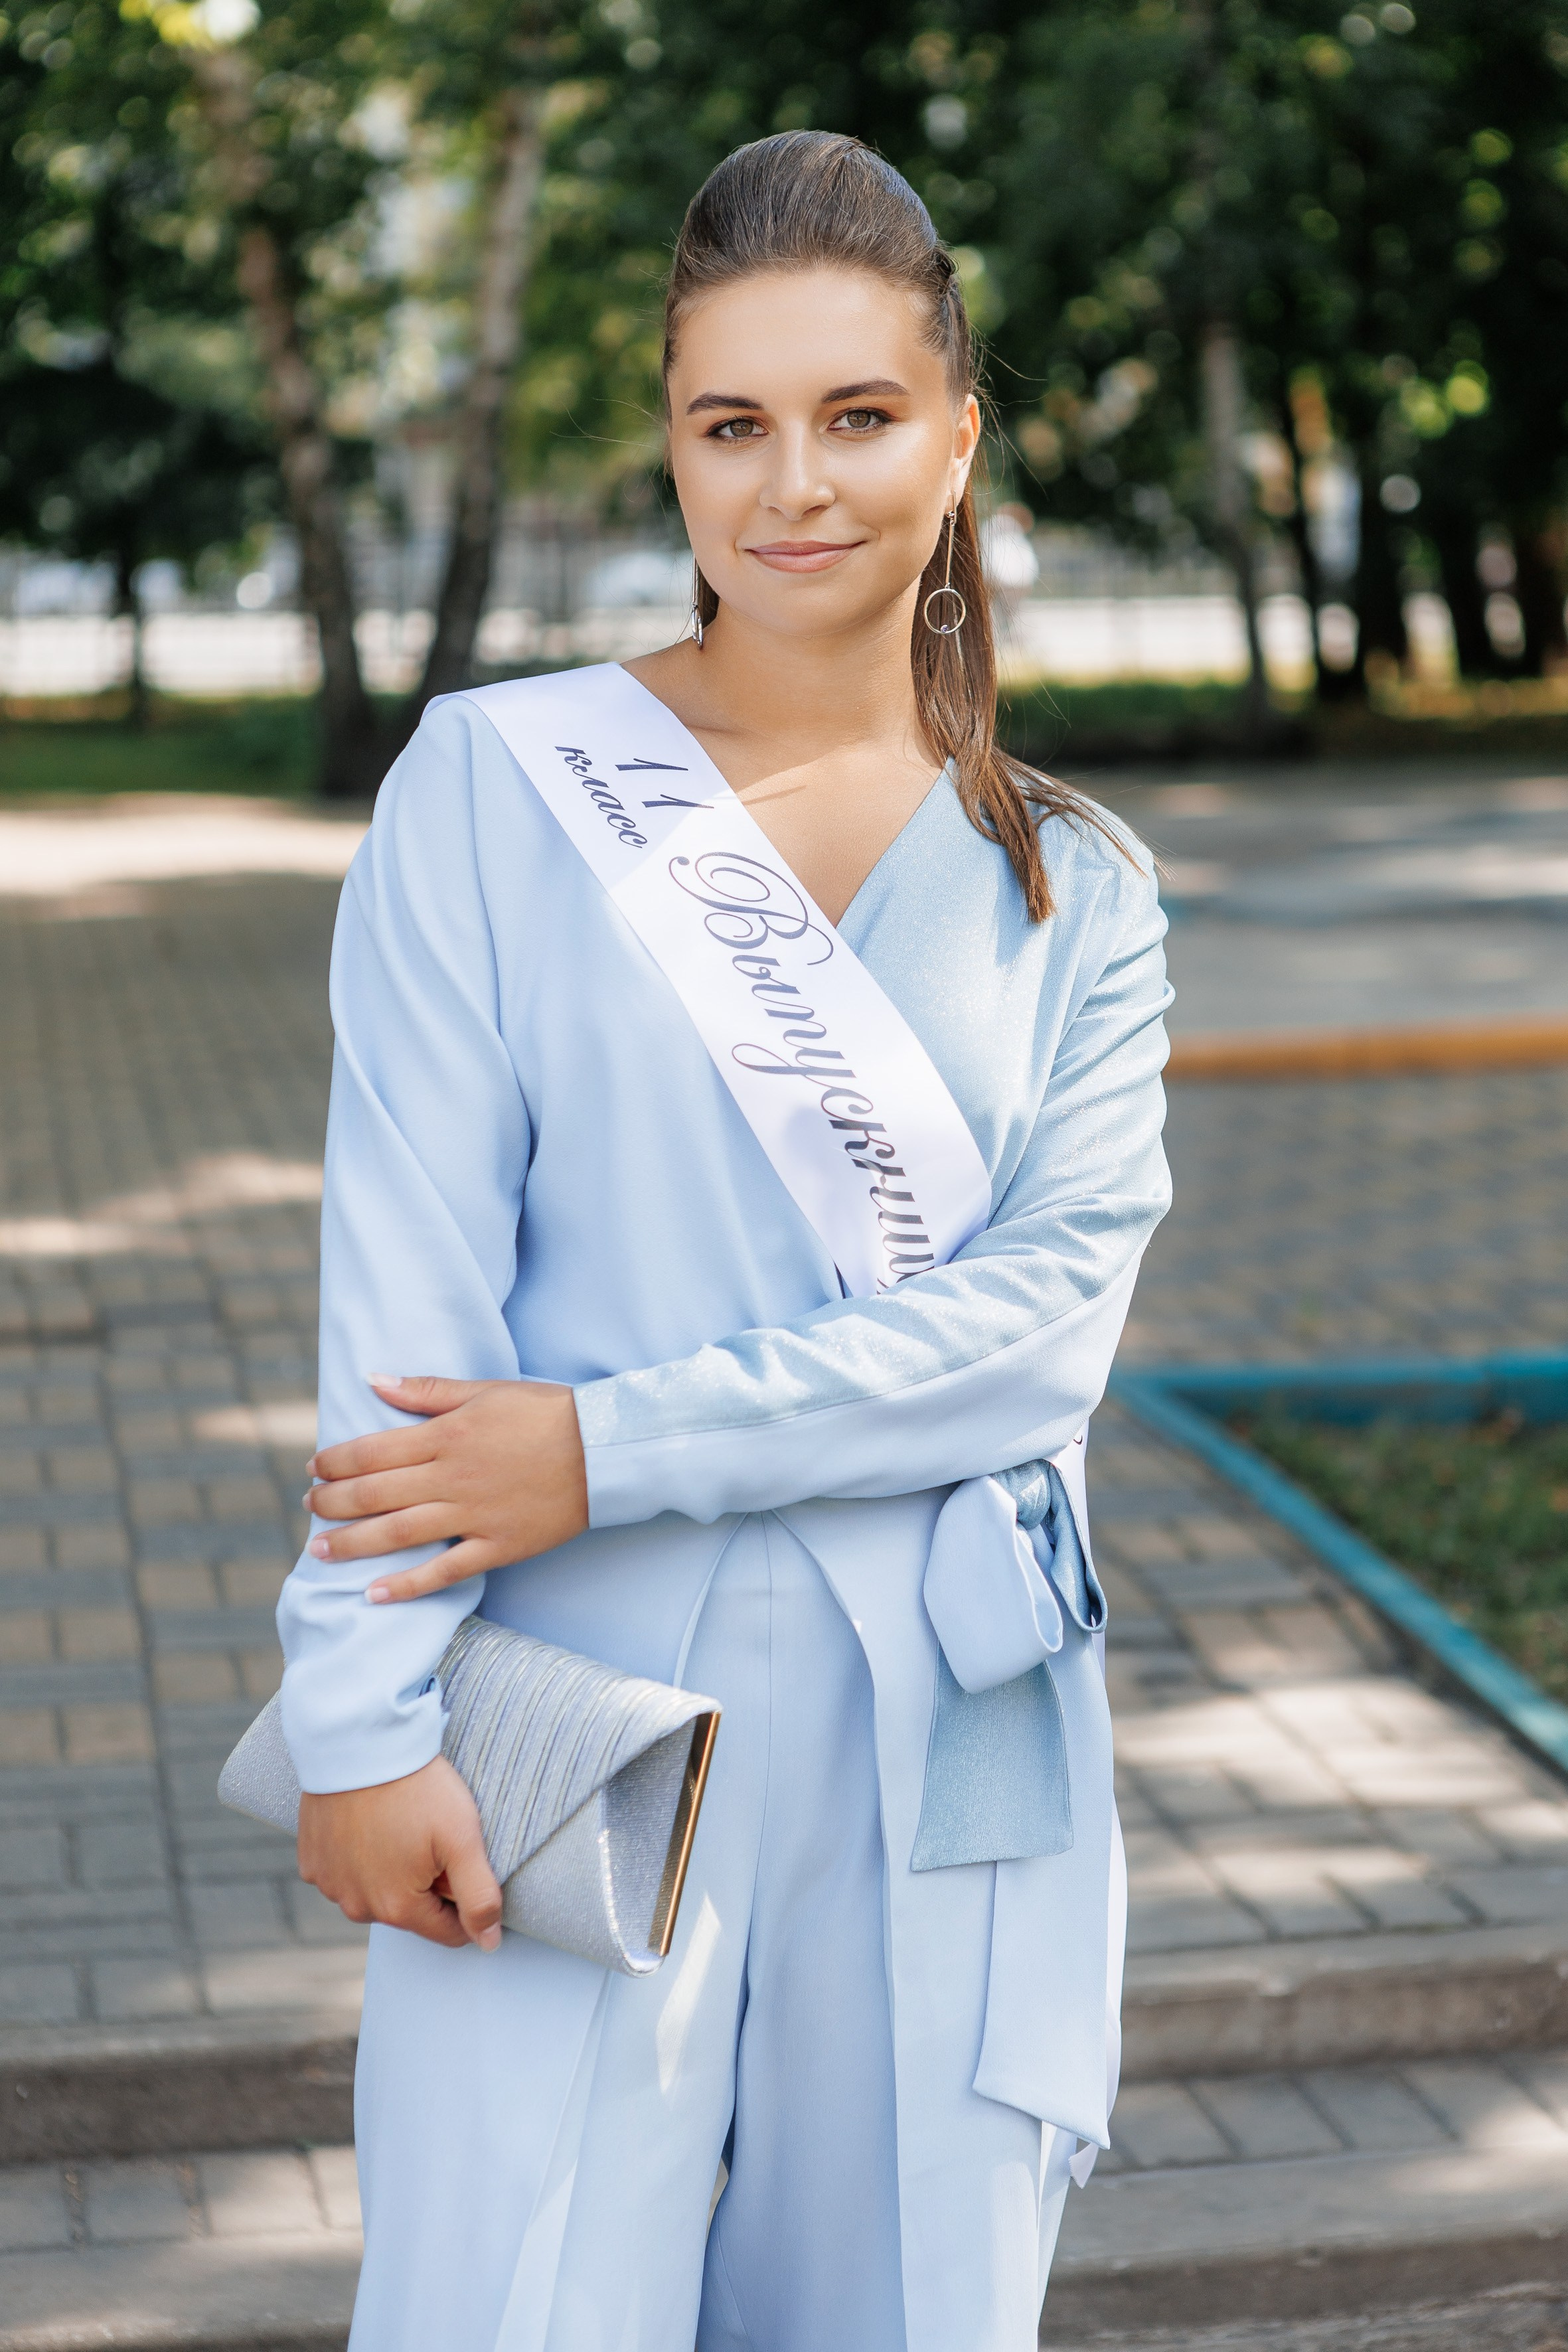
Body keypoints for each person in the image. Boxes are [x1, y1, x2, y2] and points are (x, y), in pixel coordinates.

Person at [278, 131, 1172, 2352]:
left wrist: (599, 1442)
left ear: (956, 442)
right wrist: (358, 1720)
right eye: (729, 424)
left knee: (910, 2299)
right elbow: (402, 1305)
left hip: (954, 1719)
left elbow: (1031, 1340)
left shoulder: (1080, 885)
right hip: (578, 1706)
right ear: (672, 447)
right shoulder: (494, 790)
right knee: (523, 2294)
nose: (795, 485)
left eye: (859, 418)